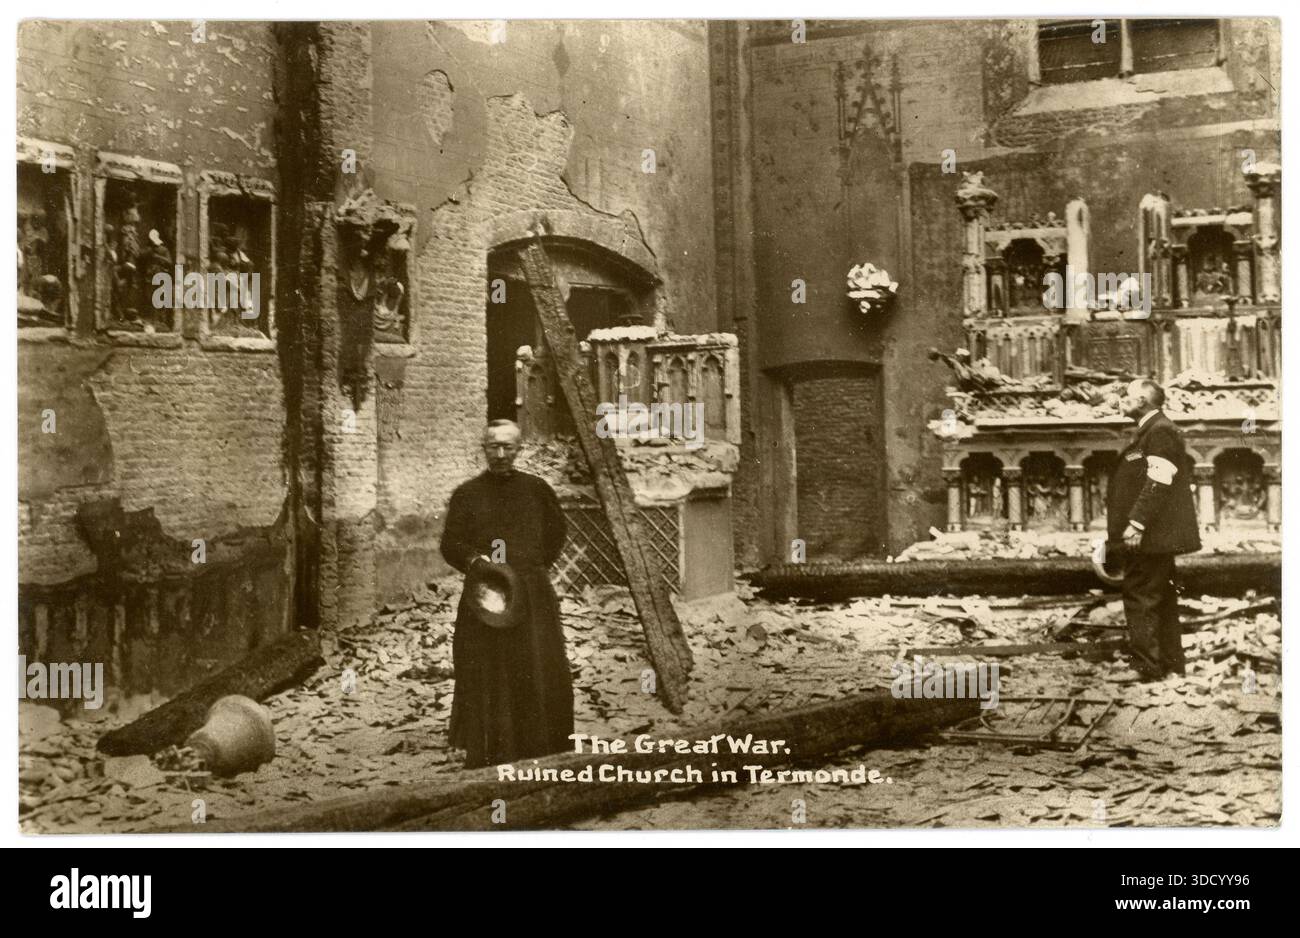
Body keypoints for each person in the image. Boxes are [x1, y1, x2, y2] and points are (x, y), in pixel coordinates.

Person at [439, 419, 574, 768]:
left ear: (519, 449)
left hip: (531, 594)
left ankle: (542, 746)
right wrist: (476, 562)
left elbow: (556, 534)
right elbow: (450, 543)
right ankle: (494, 748)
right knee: (489, 669)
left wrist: (527, 571)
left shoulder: (537, 489)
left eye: (507, 447)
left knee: (536, 665)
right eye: (493, 446)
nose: (500, 454)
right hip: (486, 596)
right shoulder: (467, 494)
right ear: (483, 448)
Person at [1107, 378, 1201, 681]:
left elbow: (1160, 479)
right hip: (1154, 534)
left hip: (1149, 535)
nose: (1121, 400)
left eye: (1127, 396)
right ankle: (1170, 665)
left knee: (1141, 594)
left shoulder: (1159, 430)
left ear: (1144, 400)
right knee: (1160, 595)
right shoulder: (1153, 430)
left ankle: (1147, 667)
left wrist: (1136, 523)